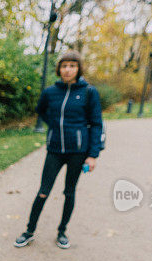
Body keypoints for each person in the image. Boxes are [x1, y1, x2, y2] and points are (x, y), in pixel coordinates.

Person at [14, 50, 104, 249]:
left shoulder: (89, 92)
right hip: (55, 150)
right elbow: (41, 110)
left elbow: (97, 124)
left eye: (72, 65)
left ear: (79, 68)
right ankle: (29, 231)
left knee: (69, 192)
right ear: (59, 69)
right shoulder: (50, 92)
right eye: (64, 66)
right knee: (43, 191)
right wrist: (54, 125)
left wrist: (92, 155)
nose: (68, 69)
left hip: (78, 152)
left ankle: (62, 231)